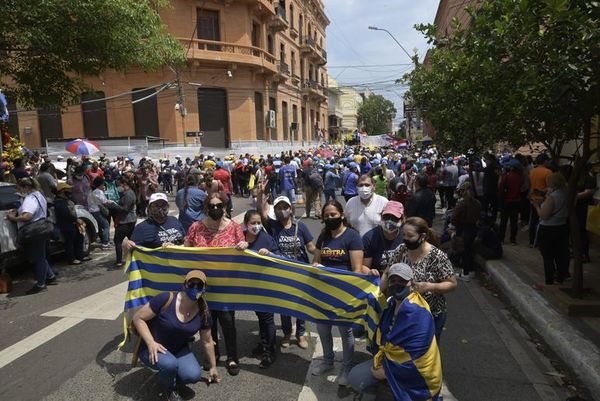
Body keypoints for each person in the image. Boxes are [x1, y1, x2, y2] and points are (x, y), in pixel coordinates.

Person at [348, 263, 442, 401]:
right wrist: (374, 282)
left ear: (412, 283)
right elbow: (366, 319)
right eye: (393, 281)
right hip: (390, 362)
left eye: (402, 281)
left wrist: (387, 372)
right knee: (355, 377)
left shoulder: (418, 312)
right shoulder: (390, 304)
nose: (397, 284)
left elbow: (417, 356)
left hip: (414, 376)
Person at [132, 270, 220, 401]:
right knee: (169, 364)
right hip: (151, 348)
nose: (195, 288)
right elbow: (138, 318)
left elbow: (207, 341)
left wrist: (213, 367)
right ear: (184, 285)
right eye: (191, 284)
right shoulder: (166, 299)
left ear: (204, 289)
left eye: (199, 285)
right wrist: (151, 343)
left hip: (178, 349)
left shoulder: (204, 312)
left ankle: (169, 374)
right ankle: (170, 388)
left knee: (193, 376)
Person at [185, 192, 246, 376]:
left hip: (226, 285)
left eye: (219, 205)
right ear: (206, 208)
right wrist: (169, 249)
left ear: (225, 207)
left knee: (228, 322)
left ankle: (233, 357)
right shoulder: (196, 227)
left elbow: (242, 247)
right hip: (203, 287)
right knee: (207, 322)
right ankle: (214, 354)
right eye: (211, 206)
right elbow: (185, 249)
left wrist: (244, 245)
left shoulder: (234, 227)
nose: (215, 209)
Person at [311, 200, 367, 385]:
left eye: (333, 214)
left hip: (344, 292)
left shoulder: (352, 236)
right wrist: (316, 267)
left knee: (345, 331)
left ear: (342, 215)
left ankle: (347, 367)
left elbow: (357, 269)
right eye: (326, 215)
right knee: (322, 328)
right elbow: (316, 260)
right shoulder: (324, 236)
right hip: (324, 291)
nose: (329, 218)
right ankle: (327, 361)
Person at [257, 185, 315, 350]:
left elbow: (310, 247)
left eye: (285, 207)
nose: (282, 210)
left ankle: (301, 333)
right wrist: (261, 194)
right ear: (275, 211)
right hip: (282, 272)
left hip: (300, 271)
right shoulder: (273, 227)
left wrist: (324, 253)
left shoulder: (300, 227)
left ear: (291, 209)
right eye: (279, 208)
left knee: (300, 303)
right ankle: (287, 333)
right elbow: (261, 213)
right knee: (284, 305)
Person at [387, 217, 457, 341]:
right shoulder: (401, 250)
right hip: (403, 313)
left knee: (425, 352)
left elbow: (452, 284)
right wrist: (377, 294)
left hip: (431, 314)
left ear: (422, 236)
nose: (405, 239)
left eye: (410, 236)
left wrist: (430, 286)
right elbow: (388, 271)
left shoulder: (437, 256)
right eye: (404, 235)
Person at [6, 177, 57, 295]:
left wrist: (13, 218)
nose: (21, 191)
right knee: (41, 255)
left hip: (34, 230)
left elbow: (27, 216)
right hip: (41, 227)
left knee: (38, 258)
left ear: (26, 187)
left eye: (21, 188)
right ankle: (50, 276)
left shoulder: (30, 198)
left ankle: (40, 284)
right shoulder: (38, 195)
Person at [243, 210, 280, 369]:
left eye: (259, 223)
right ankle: (264, 343)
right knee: (260, 316)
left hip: (265, 285)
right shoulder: (240, 236)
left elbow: (280, 258)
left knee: (267, 318)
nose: (256, 226)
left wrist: (270, 253)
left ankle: (270, 351)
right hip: (249, 286)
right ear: (246, 224)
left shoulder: (265, 238)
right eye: (253, 223)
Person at [533, 173, 570, 288]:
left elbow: (544, 216)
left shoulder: (553, 197)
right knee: (560, 254)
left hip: (548, 228)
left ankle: (549, 281)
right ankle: (560, 278)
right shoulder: (566, 193)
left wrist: (537, 206)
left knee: (548, 256)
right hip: (562, 226)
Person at [362, 201, 405, 274]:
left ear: (402, 220)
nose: (389, 221)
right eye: (386, 217)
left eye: (394, 218)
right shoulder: (369, 237)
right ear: (381, 216)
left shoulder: (406, 236)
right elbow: (364, 266)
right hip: (377, 279)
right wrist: (370, 272)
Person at [54, 182, 90, 265]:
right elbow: (65, 214)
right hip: (66, 225)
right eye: (68, 189)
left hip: (73, 223)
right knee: (69, 242)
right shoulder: (59, 202)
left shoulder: (65, 199)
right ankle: (72, 259)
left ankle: (80, 256)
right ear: (62, 190)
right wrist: (76, 219)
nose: (70, 190)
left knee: (79, 238)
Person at [452, 183, 482, 281]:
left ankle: (466, 273)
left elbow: (454, 217)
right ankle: (471, 271)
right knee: (470, 251)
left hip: (464, 229)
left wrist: (456, 224)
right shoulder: (477, 203)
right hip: (473, 228)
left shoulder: (462, 203)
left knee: (464, 251)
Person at [107, 177, 137, 268]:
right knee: (132, 241)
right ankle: (135, 258)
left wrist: (113, 205)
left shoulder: (128, 194)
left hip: (126, 221)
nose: (118, 187)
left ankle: (119, 261)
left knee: (118, 241)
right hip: (129, 221)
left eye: (119, 185)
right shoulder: (127, 193)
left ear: (124, 184)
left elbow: (125, 209)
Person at [498, 159, 524, 245]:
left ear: (512, 167)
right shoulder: (520, 177)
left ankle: (501, 238)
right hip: (516, 201)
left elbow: (501, 188)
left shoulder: (507, 176)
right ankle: (513, 239)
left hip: (506, 201)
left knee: (503, 221)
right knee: (514, 221)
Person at [528, 154, 552, 247]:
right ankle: (539, 242)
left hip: (532, 199)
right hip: (543, 200)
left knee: (533, 220)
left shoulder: (532, 171)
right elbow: (550, 186)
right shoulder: (548, 172)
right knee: (542, 222)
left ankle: (531, 241)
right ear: (545, 161)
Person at [576, 163, 597, 263]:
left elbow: (589, 192)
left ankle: (584, 254)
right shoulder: (579, 177)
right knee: (578, 230)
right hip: (578, 206)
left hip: (585, 206)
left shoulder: (590, 178)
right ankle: (579, 252)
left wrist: (575, 196)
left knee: (583, 230)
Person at [88, 177, 111, 249]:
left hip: (91, 212)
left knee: (100, 226)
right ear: (101, 184)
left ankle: (103, 240)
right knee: (106, 225)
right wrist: (110, 202)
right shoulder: (99, 192)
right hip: (97, 211)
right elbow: (105, 201)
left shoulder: (91, 192)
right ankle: (105, 242)